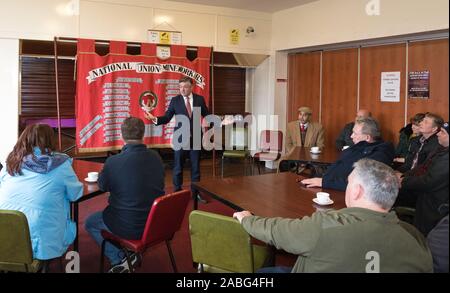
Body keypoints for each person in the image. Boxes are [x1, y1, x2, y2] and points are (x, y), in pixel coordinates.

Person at [233, 159, 433, 273]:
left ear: (356, 191)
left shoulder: (327, 226)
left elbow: (276, 231)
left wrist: (247, 219)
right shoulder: (416, 239)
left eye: (349, 183)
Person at [84, 117, 165, 273]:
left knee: (90, 223)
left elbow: (102, 185)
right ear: (143, 135)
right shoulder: (156, 158)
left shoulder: (113, 162)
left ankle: (119, 258)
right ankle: (128, 254)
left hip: (127, 226)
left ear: (122, 136)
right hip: (154, 223)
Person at [0, 124, 83, 261]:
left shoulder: (11, 161)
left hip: (5, 232)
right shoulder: (61, 165)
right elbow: (75, 195)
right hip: (39, 241)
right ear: (51, 140)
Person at [144, 77, 209, 203]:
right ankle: (177, 193)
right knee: (178, 168)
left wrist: (220, 120)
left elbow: (207, 114)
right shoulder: (175, 101)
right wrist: (155, 118)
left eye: (185, 86)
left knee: (195, 168)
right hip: (180, 139)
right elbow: (167, 117)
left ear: (191, 87)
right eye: (180, 87)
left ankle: (195, 193)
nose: (182, 89)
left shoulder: (199, 99)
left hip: (195, 139)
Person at [302, 117, 394, 191]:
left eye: (354, 133)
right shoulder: (359, 146)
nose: (351, 136)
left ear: (367, 137)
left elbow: (361, 185)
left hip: (341, 194)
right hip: (327, 185)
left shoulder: (380, 155)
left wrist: (324, 182)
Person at [396, 122, 449, 236]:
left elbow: (429, 181)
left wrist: (403, 181)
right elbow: (422, 167)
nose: (438, 134)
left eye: (443, 132)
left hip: (435, 204)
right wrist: (403, 176)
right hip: (424, 194)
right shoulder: (440, 149)